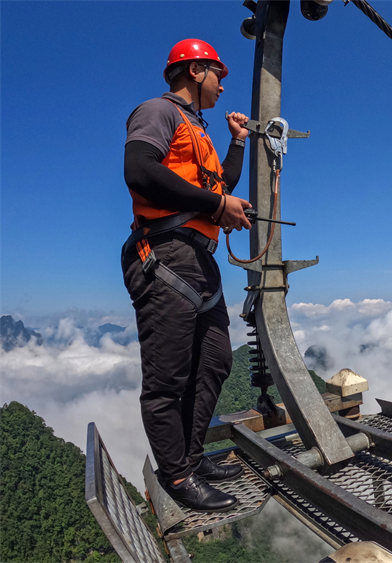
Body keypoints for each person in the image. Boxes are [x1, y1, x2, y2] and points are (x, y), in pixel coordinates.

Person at [122, 38, 252, 513]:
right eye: (218, 73)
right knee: (167, 378)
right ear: (196, 71)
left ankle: (192, 460)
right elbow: (139, 170)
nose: (222, 85)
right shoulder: (158, 112)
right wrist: (218, 206)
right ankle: (177, 475)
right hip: (164, 255)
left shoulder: (198, 130)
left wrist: (237, 143)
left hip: (199, 260)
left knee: (215, 362)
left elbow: (221, 186)